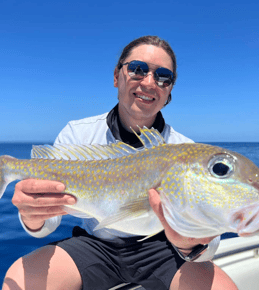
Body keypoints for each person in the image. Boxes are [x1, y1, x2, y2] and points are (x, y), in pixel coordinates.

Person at [3, 36, 238, 290]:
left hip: (162, 248)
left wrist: (191, 242)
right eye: (137, 69)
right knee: (21, 282)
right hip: (95, 244)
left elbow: (208, 245)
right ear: (117, 76)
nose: (149, 82)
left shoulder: (188, 153)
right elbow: (48, 224)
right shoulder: (77, 134)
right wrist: (33, 216)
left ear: (169, 89)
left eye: (163, 76)